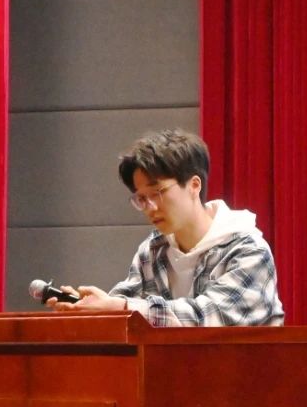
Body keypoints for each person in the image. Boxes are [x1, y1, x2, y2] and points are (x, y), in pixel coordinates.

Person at [50, 128, 285, 326]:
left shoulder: (247, 250)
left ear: (194, 185)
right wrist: (86, 307)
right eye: (141, 198)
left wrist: (121, 307)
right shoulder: (152, 250)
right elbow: (125, 304)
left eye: (158, 192)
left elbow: (208, 317)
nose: (150, 207)